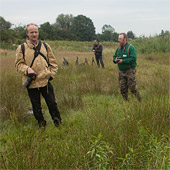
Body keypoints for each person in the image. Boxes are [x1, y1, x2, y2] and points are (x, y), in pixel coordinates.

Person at [15, 23, 62, 129]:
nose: (34, 34)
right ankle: (41, 125)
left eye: (36, 32)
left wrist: (51, 75)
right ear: (27, 33)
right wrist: (27, 69)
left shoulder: (45, 46)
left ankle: (58, 124)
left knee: (52, 103)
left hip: (45, 81)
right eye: (31, 32)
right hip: (31, 82)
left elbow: (53, 63)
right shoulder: (21, 48)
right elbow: (18, 65)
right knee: (36, 107)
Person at [113, 33, 142, 102]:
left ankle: (140, 100)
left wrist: (123, 61)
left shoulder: (131, 48)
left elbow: (133, 59)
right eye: (118, 38)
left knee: (132, 88)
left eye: (120, 39)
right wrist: (115, 60)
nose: (118, 40)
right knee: (122, 88)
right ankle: (126, 102)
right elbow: (114, 56)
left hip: (130, 71)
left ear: (125, 39)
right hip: (121, 71)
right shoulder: (118, 49)